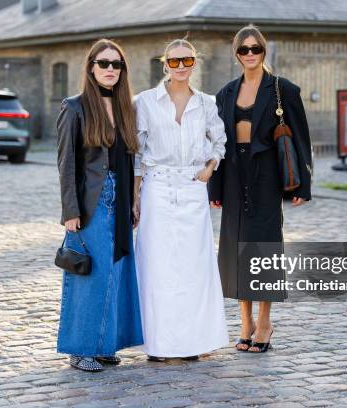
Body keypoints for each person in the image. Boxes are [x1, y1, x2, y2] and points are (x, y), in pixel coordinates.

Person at [208, 25, 313, 353]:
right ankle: (245, 322)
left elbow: (301, 138)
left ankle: (265, 322)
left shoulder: (284, 89)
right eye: (244, 50)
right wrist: (215, 187)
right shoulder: (225, 93)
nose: (250, 54)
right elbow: (216, 142)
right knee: (236, 246)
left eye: (256, 49)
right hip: (234, 175)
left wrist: (303, 184)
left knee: (263, 246)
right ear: (236, 54)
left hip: (266, 173)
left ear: (263, 51)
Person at [133, 38, 229, 361]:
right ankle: (158, 344)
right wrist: (135, 197)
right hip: (157, 188)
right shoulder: (145, 102)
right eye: (174, 61)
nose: (181, 67)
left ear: (194, 63)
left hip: (192, 188)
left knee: (193, 268)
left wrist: (210, 167)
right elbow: (136, 154)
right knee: (157, 267)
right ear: (165, 64)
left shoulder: (207, 103)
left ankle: (192, 343)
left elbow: (220, 141)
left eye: (187, 60)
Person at [55, 39, 143, 372]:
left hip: (120, 200)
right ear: (91, 67)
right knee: (90, 274)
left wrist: (133, 201)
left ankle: (104, 344)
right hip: (92, 203)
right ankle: (80, 349)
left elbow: (128, 159)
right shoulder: (74, 107)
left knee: (116, 273)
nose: (110, 69)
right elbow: (66, 164)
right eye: (103, 63)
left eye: (116, 64)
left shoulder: (125, 108)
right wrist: (71, 212)